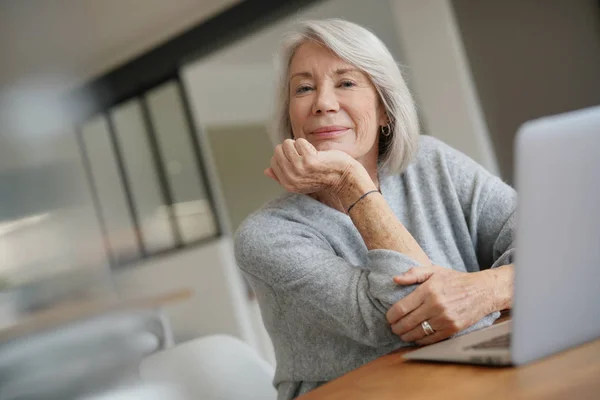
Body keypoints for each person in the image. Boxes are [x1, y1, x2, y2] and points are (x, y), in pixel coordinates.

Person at [234, 19, 516, 400]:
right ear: (291, 117)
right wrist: (352, 183)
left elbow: (561, 247)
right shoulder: (266, 236)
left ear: (384, 109)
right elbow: (415, 317)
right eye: (304, 88)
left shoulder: (434, 163)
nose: (323, 103)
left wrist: (488, 289)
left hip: (470, 381)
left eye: (346, 82)